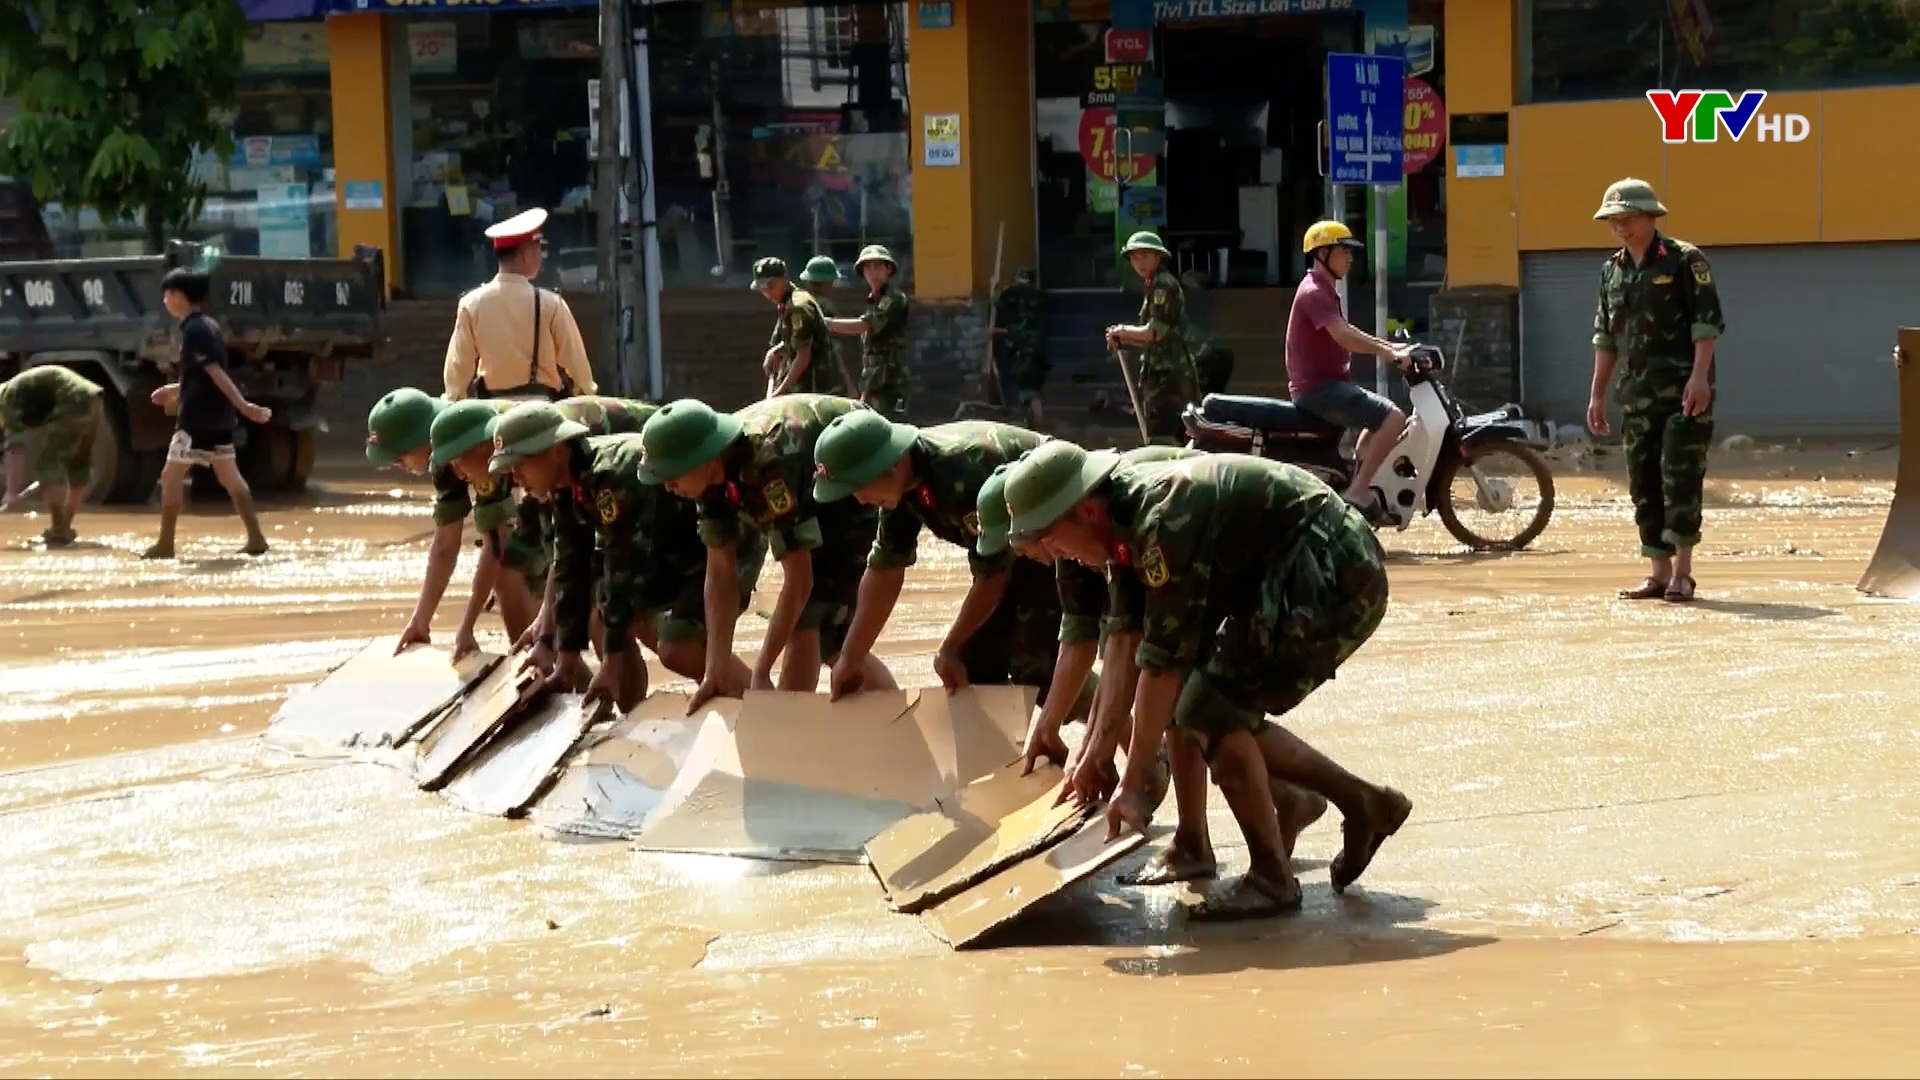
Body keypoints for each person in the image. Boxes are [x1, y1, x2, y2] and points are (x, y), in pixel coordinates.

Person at [1003, 441, 1412, 919]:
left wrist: (1134, 783)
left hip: (1334, 571)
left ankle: (1272, 877)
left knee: (1206, 707)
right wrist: (1093, 753)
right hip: (1282, 572)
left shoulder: (1160, 519)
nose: (1056, 556)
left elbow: (1161, 664)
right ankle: (1329, 810)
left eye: (1053, 541)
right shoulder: (1118, 526)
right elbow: (1124, 641)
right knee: (1191, 701)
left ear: (1086, 511)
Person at [488, 401, 767, 712]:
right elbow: (570, 567)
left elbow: (621, 570)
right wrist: (562, 657)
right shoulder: (566, 487)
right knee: (604, 615)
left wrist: (610, 664)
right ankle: (631, 714)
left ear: (558, 452)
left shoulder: (609, 479)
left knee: (677, 647)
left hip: (723, 542)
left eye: (520, 464)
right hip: (671, 549)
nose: (514, 477)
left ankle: (761, 707)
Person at [809, 411, 1086, 716]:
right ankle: (997, 762)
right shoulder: (901, 488)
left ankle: (1120, 744)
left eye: (861, 486)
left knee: (1039, 670)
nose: (860, 500)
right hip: (1014, 548)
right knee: (973, 665)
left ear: (891, 464)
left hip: (1058, 537)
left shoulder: (960, 475)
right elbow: (885, 570)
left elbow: (993, 575)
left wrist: (948, 648)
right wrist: (851, 656)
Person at [636, 394, 899, 712]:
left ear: (706, 458)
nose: (667, 486)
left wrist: (761, 672)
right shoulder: (709, 477)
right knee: (825, 636)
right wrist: (715, 666)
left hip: (855, 476)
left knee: (821, 627)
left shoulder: (766, 468)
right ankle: (795, 727)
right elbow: (720, 571)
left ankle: (865, 729)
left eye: (672, 474)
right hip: (807, 479)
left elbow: (800, 581)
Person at [428, 395, 651, 657]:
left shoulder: (547, 450)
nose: (456, 472)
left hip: (654, 467)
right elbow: (563, 555)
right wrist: (545, 633)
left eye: (456, 460)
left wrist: (547, 624)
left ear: (481, 447)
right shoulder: (531, 467)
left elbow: (605, 565)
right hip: (616, 486)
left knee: (608, 606)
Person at [1587, 178, 1724, 604]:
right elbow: (1605, 338)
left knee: (1680, 477)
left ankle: (1683, 573)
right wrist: (1596, 394)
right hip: (1636, 394)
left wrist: (1700, 377)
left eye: (1628, 219)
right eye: (1614, 222)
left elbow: (1707, 324)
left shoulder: (1685, 260)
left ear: (1651, 216)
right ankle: (1658, 573)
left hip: (1684, 391)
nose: (1621, 228)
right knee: (1643, 482)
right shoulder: (1612, 270)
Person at [143, 268, 272, 560]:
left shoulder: (195, 330)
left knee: (171, 476)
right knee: (230, 476)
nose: (165, 301)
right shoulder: (208, 326)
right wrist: (174, 390)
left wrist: (245, 407)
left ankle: (165, 544)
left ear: (178, 296)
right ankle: (255, 537)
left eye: (167, 294)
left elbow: (215, 372)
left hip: (197, 419)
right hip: (217, 418)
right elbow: (203, 374)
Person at [1285, 220, 1415, 510]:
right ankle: (1358, 490)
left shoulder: (1324, 290)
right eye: (1344, 251)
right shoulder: (1314, 292)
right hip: (1318, 390)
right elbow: (1343, 336)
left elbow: (1348, 330)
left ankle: (1358, 476)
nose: (1350, 257)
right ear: (1322, 254)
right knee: (1393, 418)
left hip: (1330, 386)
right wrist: (1387, 353)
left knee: (1380, 416)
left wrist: (1390, 347)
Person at [442, 207, 598, 402]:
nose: (542, 256)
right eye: (539, 249)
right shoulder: (550, 303)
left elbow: (457, 371)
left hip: (493, 414)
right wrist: (585, 392)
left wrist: (456, 401)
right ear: (527, 255)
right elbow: (577, 363)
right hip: (543, 412)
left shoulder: (471, 304)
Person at [1103, 231, 1200, 442]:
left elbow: (1156, 332)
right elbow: (1151, 337)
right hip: (1159, 373)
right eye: (1134, 257)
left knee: (1168, 440)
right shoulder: (1153, 284)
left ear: (1158, 256)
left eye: (1145, 255)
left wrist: (1122, 331)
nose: (1139, 262)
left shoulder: (1163, 285)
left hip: (1169, 376)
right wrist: (1123, 339)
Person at [0, 365, 106, 545]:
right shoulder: (16, 392)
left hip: (72, 400)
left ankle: (58, 529)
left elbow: (15, 448)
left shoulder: (6, 400)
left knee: (48, 465)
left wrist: (11, 492)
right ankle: (64, 526)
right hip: (92, 397)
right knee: (78, 464)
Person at [825, 245, 911, 414]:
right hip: (873, 379)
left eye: (878, 266)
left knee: (891, 429)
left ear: (888, 269)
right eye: (868, 267)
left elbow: (864, 325)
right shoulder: (873, 301)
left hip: (891, 381)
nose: (873, 272)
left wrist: (827, 323)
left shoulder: (894, 298)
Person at [751, 256, 832, 399]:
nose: (768, 293)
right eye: (762, 289)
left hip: (813, 390)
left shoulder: (797, 306)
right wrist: (776, 351)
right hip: (805, 388)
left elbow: (803, 356)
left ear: (784, 278)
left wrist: (779, 393)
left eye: (771, 285)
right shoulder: (788, 302)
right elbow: (797, 339)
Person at [993, 266, 1049, 428]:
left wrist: (996, 331)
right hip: (1037, 350)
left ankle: (1038, 424)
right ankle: (1033, 422)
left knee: (1029, 390)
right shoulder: (1038, 296)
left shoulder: (1018, 295)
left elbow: (1000, 302)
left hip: (1025, 353)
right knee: (1031, 389)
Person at [797, 255, 859, 396]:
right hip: (823, 379)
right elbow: (833, 348)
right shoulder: (824, 307)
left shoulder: (797, 303)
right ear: (827, 282)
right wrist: (849, 384)